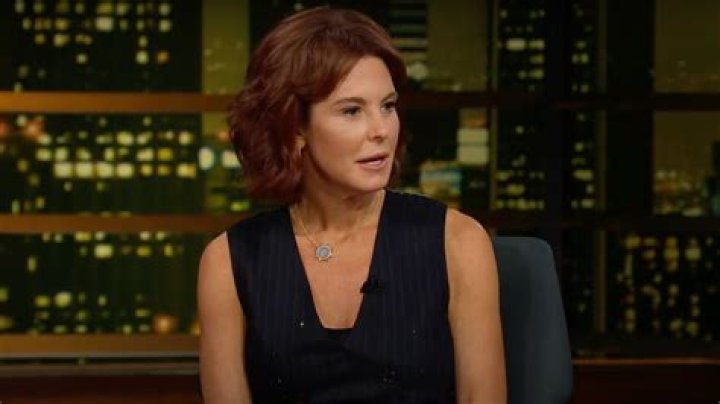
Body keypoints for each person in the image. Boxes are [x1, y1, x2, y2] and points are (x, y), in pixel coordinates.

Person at [197, 6, 506, 403]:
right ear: (295, 128)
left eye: (388, 106)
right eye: (352, 110)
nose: (381, 130)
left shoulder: (458, 242)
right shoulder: (230, 262)